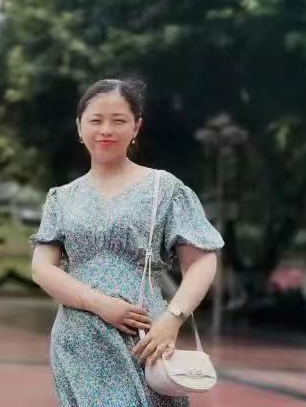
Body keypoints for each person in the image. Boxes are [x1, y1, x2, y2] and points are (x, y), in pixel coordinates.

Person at [30, 78, 224, 406]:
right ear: (80, 127)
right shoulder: (61, 198)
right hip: (78, 342)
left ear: (136, 127)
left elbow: (202, 261)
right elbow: (41, 268)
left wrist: (172, 319)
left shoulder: (164, 189)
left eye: (118, 120)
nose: (106, 130)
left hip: (145, 338)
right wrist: (100, 304)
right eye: (96, 120)